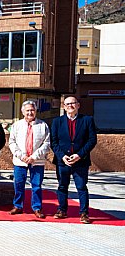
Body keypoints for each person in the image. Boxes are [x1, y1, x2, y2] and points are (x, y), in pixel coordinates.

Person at [51, 95, 98, 224]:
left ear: (78, 105)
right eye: (67, 104)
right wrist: (62, 156)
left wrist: (79, 155)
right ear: (64, 107)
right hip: (63, 161)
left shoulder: (87, 120)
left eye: (73, 103)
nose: (70, 106)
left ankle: (84, 213)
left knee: (82, 187)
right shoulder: (57, 122)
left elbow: (92, 140)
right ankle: (61, 210)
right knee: (62, 186)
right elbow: (53, 142)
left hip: (80, 161)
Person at [8, 100, 51, 219]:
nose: (30, 112)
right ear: (22, 111)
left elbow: (46, 144)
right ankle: (18, 206)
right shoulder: (16, 125)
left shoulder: (43, 125)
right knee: (18, 184)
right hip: (20, 161)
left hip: (37, 161)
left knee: (36, 185)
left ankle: (37, 208)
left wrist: (34, 157)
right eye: (27, 110)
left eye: (32, 110)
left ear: (36, 111)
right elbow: (12, 142)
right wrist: (22, 156)